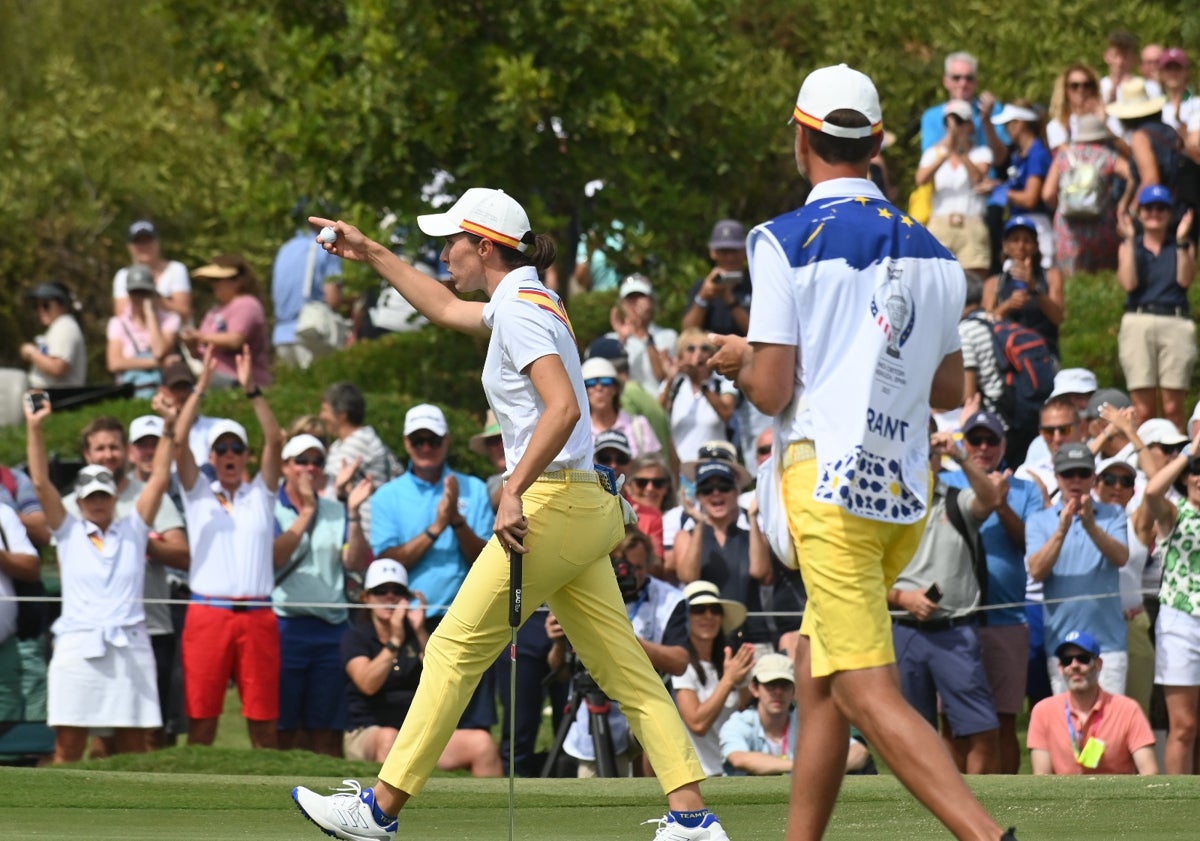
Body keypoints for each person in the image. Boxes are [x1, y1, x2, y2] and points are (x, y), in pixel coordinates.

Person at [295, 188, 730, 841]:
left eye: (453, 242)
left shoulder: (521, 312)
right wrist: (369, 250)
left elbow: (560, 407)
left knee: (450, 649)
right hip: (581, 505)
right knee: (625, 667)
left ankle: (378, 809)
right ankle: (692, 816)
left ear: (487, 246)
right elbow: (442, 305)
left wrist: (512, 487)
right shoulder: (527, 301)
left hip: (552, 503)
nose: (445, 253)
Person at [709, 63, 1016, 841]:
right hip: (902, 491)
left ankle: (989, 838)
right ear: (877, 143)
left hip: (829, 487)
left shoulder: (780, 239)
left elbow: (774, 387)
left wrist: (739, 360)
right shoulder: (938, 255)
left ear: (801, 138)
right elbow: (949, 387)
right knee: (818, 676)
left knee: (864, 687)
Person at [24, 390, 175, 763]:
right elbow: (41, 483)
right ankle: (57, 819)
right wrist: (35, 428)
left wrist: (170, 427)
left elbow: (158, 477)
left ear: (113, 495)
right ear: (78, 500)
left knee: (134, 746)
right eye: (90, 495)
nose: (97, 501)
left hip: (130, 646)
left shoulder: (134, 527)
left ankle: (133, 820)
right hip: (77, 645)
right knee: (69, 744)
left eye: (103, 494)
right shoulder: (68, 530)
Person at [172, 346, 283, 749]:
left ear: (246, 456)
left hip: (257, 617)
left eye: (237, 449)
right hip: (208, 614)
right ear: (212, 458)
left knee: (264, 724)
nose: (230, 456)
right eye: (222, 450)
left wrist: (253, 391)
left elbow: (276, 439)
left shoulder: (261, 494)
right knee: (201, 720)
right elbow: (178, 441)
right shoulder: (198, 493)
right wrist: (200, 389)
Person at [63, 415, 190, 754]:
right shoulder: (69, 507)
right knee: (100, 739)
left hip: (152, 628)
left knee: (150, 735)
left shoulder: (148, 499)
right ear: (88, 454)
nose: (108, 454)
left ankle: (143, 804)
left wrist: (135, 540)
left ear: (126, 452)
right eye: (100, 448)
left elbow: (182, 554)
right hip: (91, 633)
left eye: (114, 447)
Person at [890, 428, 1001, 773]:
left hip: (955, 633)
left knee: (981, 730)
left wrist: (961, 455)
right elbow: (860, 573)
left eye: (928, 452)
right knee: (911, 733)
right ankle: (920, 817)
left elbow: (991, 499)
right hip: (904, 630)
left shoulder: (956, 498)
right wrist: (902, 597)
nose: (923, 460)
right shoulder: (886, 506)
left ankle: (975, 812)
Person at [943, 407, 1042, 774]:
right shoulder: (947, 483)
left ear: (1003, 444)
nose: (983, 447)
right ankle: (953, 797)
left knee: (1002, 719)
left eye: (991, 440)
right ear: (965, 444)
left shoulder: (1025, 490)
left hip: (1006, 618)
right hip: (953, 618)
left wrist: (998, 502)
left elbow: (1026, 541)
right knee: (953, 720)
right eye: (975, 440)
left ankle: (1006, 800)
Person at [550, 527, 690, 777]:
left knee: (662, 740)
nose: (627, 575)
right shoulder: (583, 592)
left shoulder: (669, 600)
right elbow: (559, 672)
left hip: (646, 701)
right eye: (619, 568)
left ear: (648, 565)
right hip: (594, 709)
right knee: (593, 791)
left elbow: (680, 662)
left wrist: (626, 641)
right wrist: (559, 640)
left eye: (636, 568)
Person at [341, 559, 501, 775]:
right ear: (366, 598)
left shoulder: (418, 634)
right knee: (388, 738)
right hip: (369, 731)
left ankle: (492, 809)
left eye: (397, 591)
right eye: (381, 590)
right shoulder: (356, 637)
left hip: (415, 731)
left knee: (481, 743)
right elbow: (368, 684)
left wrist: (418, 631)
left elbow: (443, 675)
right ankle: (378, 806)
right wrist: (395, 641)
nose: (390, 597)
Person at [272, 432, 373, 756]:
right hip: (285, 626)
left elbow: (355, 562)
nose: (310, 468)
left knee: (328, 729)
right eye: (302, 461)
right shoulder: (271, 507)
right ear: (285, 466)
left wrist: (354, 514)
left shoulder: (337, 510)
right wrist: (307, 511)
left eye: (317, 462)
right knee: (284, 727)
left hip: (331, 629)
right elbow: (275, 558)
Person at [369, 403, 492, 627]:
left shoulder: (475, 489)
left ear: (447, 441)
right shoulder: (385, 497)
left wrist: (456, 520)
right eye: (418, 441)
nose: (426, 448)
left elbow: (487, 562)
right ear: (406, 443)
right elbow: (387, 563)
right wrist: (436, 528)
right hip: (406, 621)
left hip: (468, 620)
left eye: (433, 440)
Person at [1027, 442, 1129, 694]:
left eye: (1083, 473)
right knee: (1068, 731)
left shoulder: (1113, 514)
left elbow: (1121, 557)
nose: (1076, 481)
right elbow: (1037, 571)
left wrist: (1091, 526)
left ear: (1093, 477)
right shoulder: (1039, 521)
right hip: (1062, 647)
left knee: (1109, 731)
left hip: (1109, 646)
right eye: (1068, 474)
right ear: (1057, 477)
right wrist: (1061, 529)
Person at [1141, 425, 1200, 774]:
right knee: (1184, 727)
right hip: (1181, 622)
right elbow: (1151, 491)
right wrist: (1189, 453)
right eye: (1196, 472)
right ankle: (1179, 806)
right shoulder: (1176, 513)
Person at [1116, 184, 1196, 430]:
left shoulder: (1182, 246)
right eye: (1149, 207)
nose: (1154, 213)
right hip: (1138, 319)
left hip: (1175, 320)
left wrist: (1182, 241)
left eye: (1161, 208)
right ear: (1139, 212)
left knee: (1173, 408)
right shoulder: (1129, 247)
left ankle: (1179, 464)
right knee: (1143, 410)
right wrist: (1129, 240)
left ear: (1170, 213)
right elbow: (1129, 283)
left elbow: (1185, 280)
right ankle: (1147, 464)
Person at [719, 653, 873, 776]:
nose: (778, 692)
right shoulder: (738, 723)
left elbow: (858, 751)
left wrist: (825, 769)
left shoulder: (810, 721)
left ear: (794, 690)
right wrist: (805, 769)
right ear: (755, 689)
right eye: (771, 685)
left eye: (785, 685)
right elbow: (739, 759)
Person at [1026, 630, 1157, 775]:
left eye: (1083, 658)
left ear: (1099, 664)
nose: (1074, 665)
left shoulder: (1128, 710)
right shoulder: (1043, 711)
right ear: (1061, 668)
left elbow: (1149, 772)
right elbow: (1041, 778)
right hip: (1065, 797)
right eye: (1067, 661)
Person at [672, 581, 755, 777]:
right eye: (699, 610)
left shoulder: (727, 663)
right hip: (699, 774)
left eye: (715, 610)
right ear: (686, 617)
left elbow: (740, 709)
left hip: (733, 772)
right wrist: (729, 680)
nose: (708, 616)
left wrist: (741, 681)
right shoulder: (681, 666)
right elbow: (697, 724)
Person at [1042, 114, 1129, 276]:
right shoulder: (1107, 155)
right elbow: (1134, 176)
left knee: (1070, 277)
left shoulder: (1064, 156)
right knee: (1103, 277)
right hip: (1102, 224)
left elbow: (1047, 194)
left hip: (1069, 228)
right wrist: (1124, 202)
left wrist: (1064, 205)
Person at [916, 99, 994, 273]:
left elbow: (978, 178)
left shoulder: (981, 152)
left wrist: (960, 151)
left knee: (974, 284)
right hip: (940, 223)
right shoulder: (933, 153)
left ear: (969, 125)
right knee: (935, 282)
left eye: (959, 122)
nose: (953, 128)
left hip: (971, 224)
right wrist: (945, 153)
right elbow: (921, 179)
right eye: (948, 123)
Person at [320, 381, 403, 542]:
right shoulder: (341, 444)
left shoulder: (360, 442)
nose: (321, 416)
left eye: (325, 410)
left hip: (366, 536)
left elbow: (327, 487)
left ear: (342, 414)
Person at [181, 255, 272, 389]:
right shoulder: (214, 311)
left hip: (242, 381)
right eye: (212, 280)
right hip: (213, 377)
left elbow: (235, 340)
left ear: (237, 281)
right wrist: (191, 344)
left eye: (218, 280)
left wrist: (200, 337)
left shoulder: (247, 304)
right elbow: (199, 354)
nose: (214, 285)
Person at [984, 215, 1066, 359]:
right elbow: (985, 323)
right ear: (1005, 246)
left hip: (1044, 354)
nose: (1021, 246)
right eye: (1015, 240)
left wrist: (1034, 288)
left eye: (1027, 241)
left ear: (1035, 247)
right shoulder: (994, 283)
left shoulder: (1051, 276)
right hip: (1008, 355)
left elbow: (1058, 317)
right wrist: (1007, 306)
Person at [272, 220, 344, 368]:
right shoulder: (326, 247)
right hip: (311, 334)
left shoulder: (285, 248)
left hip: (281, 336)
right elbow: (332, 299)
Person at [661, 330, 738, 467]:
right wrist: (670, 379)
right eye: (691, 349)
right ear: (681, 356)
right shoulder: (675, 385)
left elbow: (726, 413)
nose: (698, 353)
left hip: (715, 466)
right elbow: (656, 415)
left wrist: (700, 384)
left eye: (705, 348)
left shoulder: (723, 383)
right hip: (680, 469)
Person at [106, 265, 182, 398]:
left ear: (154, 293)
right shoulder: (118, 323)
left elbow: (159, 351)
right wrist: (159, 364)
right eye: (134, 293)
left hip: (164, 390)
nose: (139, 298)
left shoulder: (171, 319)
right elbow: (114, 363)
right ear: (128, 294)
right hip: (131, 391)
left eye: (144, 293)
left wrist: (150, 315)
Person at [606, 273, 677, 394]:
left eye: (640, 296)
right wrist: (622, 341)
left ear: (652, 301)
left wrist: (645, 335)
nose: (635, 302)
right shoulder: (610, 340)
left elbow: (661, 376)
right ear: (622, 304)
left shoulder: (668, 336)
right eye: (630, 298)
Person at [680, 219, 752, 337]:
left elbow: (760, 335)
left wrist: (730, 300)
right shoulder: (701, 286)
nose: (730, 258)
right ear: (713, 253)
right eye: (723, 251)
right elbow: (687, 333)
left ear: (744, 251)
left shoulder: (756, 284)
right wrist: (703, 298)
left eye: (734, 251)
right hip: (710, 353)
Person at [113, 219, 192, 321]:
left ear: (158, 242)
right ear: (129, 246)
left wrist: (155, 298)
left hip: (174, 333)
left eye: (148, 240)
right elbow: (121, 316)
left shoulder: (176, 269)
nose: (144, 246)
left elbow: (184, 313)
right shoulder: (122, 275)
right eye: (138, 242)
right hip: (138, 335)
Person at [582, 357, 662, 457]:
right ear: (583, 390)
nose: (599, 388)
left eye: (606, 381)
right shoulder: (577, 433)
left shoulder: (639, 425)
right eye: (590, 383)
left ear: (616, 388)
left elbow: (653, 468)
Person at [21, 282, 86, 390]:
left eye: (46, 305)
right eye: (36, 306)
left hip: (55, 398)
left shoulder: (65, 326)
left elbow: (57, 368)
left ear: (63, 305)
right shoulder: (59, 326)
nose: (40, 310)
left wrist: (31, 352)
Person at [1045, 63, 1107, 152]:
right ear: (1065, 90)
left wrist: (1103, 125)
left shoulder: (1106, 117)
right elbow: (1069, 158)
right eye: (1074, 86)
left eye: (1086, 85)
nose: (1081, 90)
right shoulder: (1057, 125)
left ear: (1093, 88)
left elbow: (1127, 154)